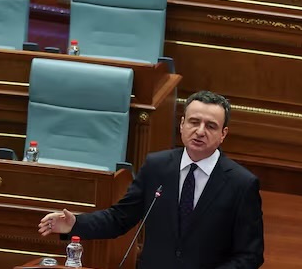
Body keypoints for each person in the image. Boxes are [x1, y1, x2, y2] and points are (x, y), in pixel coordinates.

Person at [38, 91, 264, 269]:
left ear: (223, 134)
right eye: (194, 122)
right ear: (182, 124)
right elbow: (120, 218)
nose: (200, 131)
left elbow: (250, 255)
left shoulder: (241, 184)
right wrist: (75, 224)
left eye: (211, 126)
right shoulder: (157, 166)